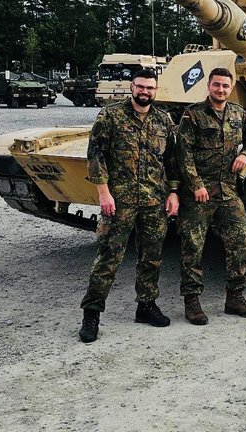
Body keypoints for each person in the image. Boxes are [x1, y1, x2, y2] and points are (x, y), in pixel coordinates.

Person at [78, 68, 178, 343]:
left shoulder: (163, 120)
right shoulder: (110, 116)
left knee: (152, 257)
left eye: (150, 88)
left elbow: (171, 160)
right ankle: (92, 314)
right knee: (108, 257)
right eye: (141, 86)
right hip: (118, 201)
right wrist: (103, 192)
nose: (145, 91)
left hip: (153, 200)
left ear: (156, 90)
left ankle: (146, 306)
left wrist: (173, 192)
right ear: (132, 87)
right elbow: (96, 155)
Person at [173, 67, 246, 324]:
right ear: (209, 86)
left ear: (230, 88)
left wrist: (245, 154)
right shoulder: (193, 114)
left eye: (225, 85)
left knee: (241, 240)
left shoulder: (238, 113)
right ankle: (192, 302)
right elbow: (184, 153)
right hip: (199, 192)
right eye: (216, 85)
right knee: (192, 247)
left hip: (227, 190)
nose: (220, 89)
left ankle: (235, 296)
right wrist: (196, 184)